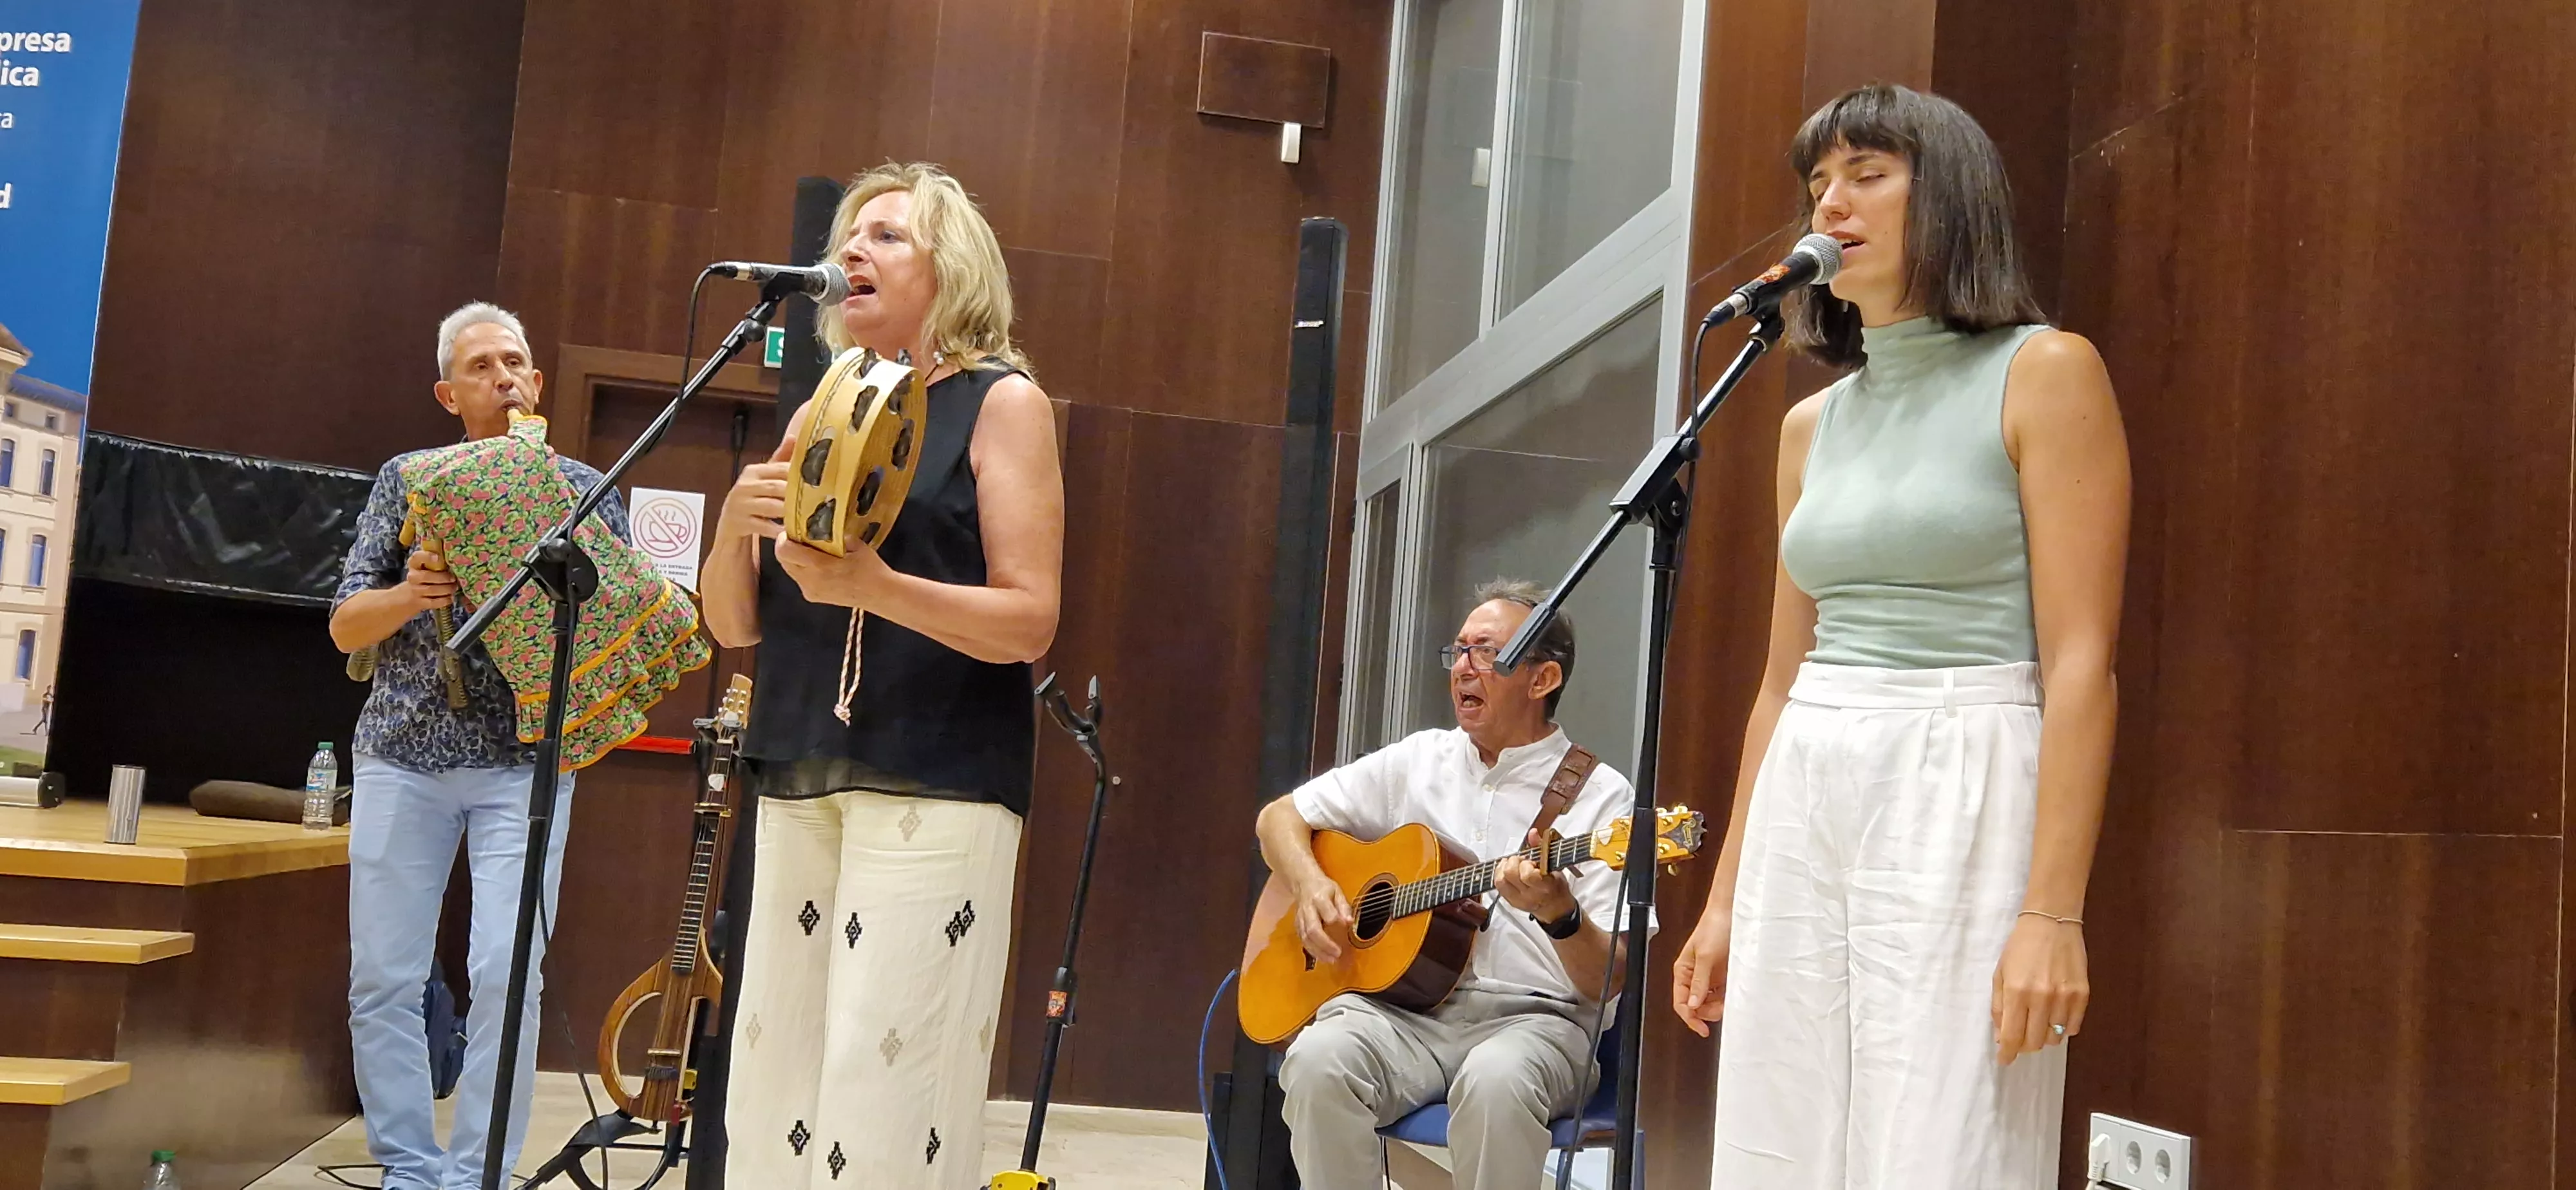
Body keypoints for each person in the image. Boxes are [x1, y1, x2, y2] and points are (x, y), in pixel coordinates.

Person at [1670, 84, 2130, 1189]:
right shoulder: (1807, 423)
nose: (1832, 201)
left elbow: (2081, 662)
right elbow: (1782, 681)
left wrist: (2054, 913)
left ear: (1954, 198)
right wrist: (1728, 896)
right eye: (1817, 182)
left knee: (1942, 1138)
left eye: (1868, 174)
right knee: (1780, 1128)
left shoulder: (2046, 371)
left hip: (1963, 759)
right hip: (1813, 771)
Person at [699, 162, 1063, 1190]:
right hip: (799, 768)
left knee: (886, 1079)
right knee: (772, 1077)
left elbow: (1030, 621)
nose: (851, 252)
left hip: (934, 777)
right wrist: (731, 531)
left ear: (953, 270)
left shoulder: (1004, 403)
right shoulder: (821, 406)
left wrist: (877, 583)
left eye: (887, 237)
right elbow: (735, 628)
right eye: (849, 238)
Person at [331, 303, 627, 1190]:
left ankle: (479, 1176)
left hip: (525, 769)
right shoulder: (409, 479)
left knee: (505, 971)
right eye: (482, 366)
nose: (503, 377)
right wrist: (412, 593)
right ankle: (411, 1171)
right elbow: (347, 623)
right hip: (401, 757)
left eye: (517, 363)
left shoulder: (583, 487)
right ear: (448, 392)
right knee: (384, 974)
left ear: (537, 386)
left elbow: (623, 619)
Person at [1260, 580, 1649, 1190]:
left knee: (1496, 1082)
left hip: (1538, 1025)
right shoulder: (1418, 760)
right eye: (1458, 651)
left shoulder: (1603, 798)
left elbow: (1614, 976)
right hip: (1407, 1014)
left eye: (1486, 653)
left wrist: (1560, 914)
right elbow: (1278, 819)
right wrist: (1311, 886)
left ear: (1542, 680)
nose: (1463, 669)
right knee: (1318, 1060)